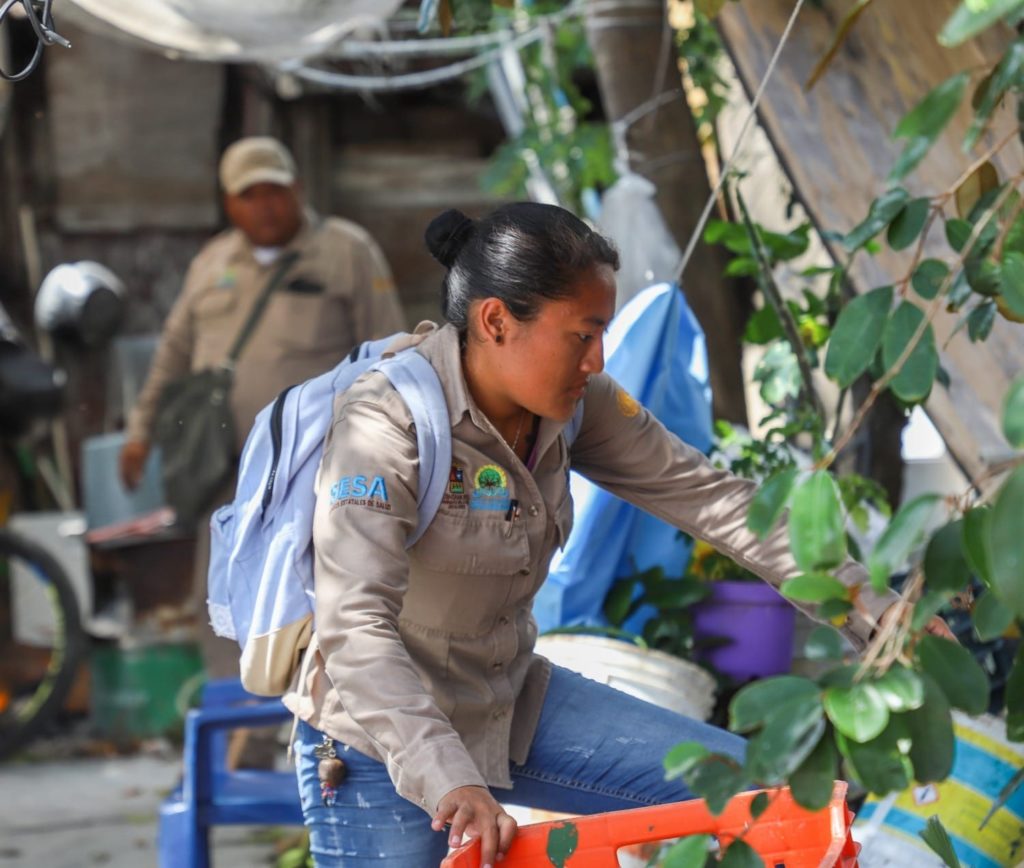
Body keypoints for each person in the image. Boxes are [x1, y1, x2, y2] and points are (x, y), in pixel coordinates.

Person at [284, 202, 952, 868]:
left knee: (759, 805)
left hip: (507, 703)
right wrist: (447, 776)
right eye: (583, 334)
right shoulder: (385, 425)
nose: (598, 358)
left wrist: (875, 608)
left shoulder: (580, 406)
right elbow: (354, 624)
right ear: (495, 321)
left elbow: (717, 500)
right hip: (377, 740)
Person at [120, 136, 406, 685]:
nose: (266, 206)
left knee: (324, 588)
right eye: (250, 195)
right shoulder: (211, 263)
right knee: (229, 586)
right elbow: (173, 354)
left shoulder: (346, 250)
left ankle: (318, 720)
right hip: (230, 468)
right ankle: (238, 725)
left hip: (319, 464)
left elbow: (386, 352)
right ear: (230, 204)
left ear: (297, 189)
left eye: (275, 191)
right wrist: (140, 433)